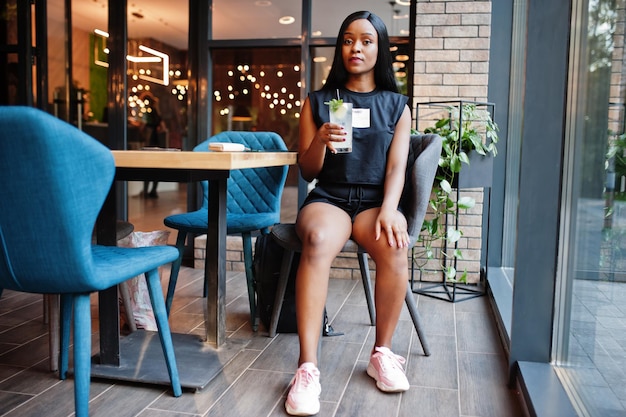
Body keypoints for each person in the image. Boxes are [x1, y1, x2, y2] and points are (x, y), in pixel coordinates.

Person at [285, 10, 412, 416]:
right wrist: (320, 138)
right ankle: (307, 368)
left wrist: (391, 210)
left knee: (394, 245)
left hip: (375, 202)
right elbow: (307, 170)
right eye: (347, 40)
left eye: (367, 40)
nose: (356, 47)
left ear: (380, 48)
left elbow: (396, 167)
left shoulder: (397, 106)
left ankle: (382, 353)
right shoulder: (320, 101)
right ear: (340, 48)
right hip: (330, 198)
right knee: (318, 239)